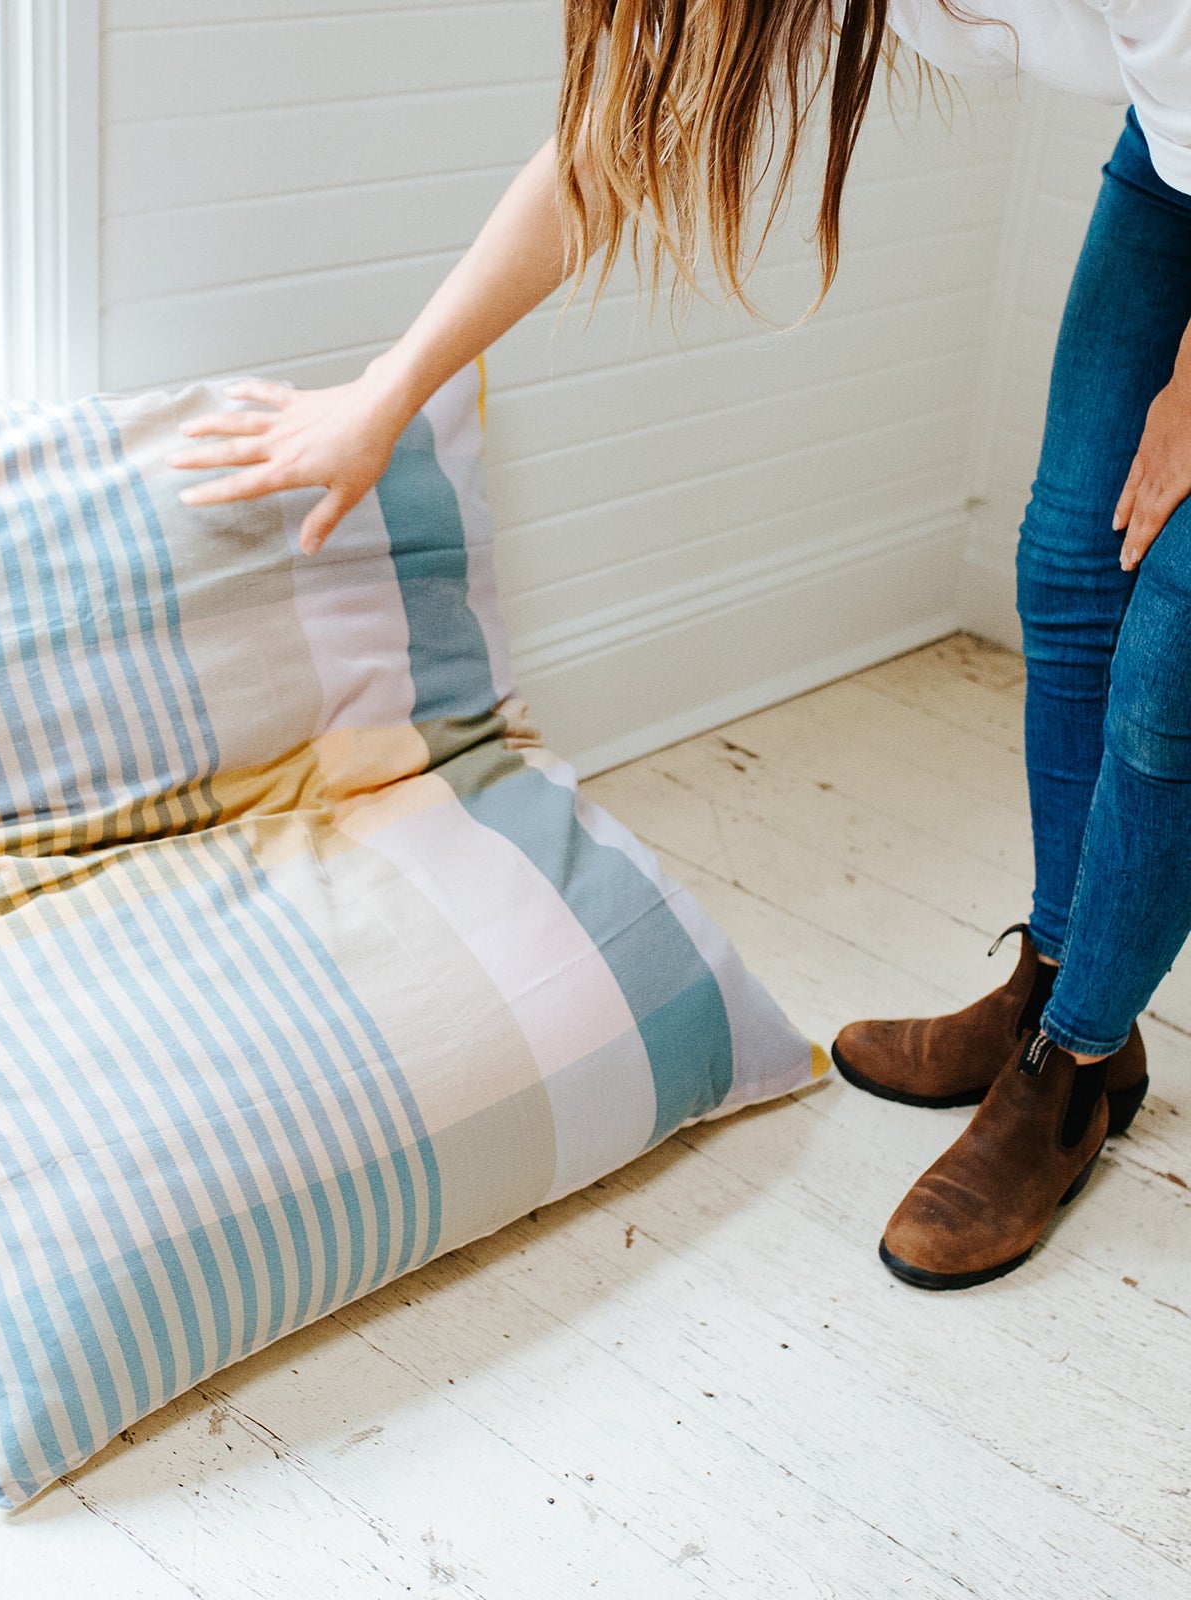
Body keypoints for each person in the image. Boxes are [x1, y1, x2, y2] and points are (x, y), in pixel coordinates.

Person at [167, 1, 1191, 1291]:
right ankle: (1053, 985)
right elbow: (612, 140)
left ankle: (1078, 1067)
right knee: (1068, 558)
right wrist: (387, 392)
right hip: (1180, 157)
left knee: (1170, 672)